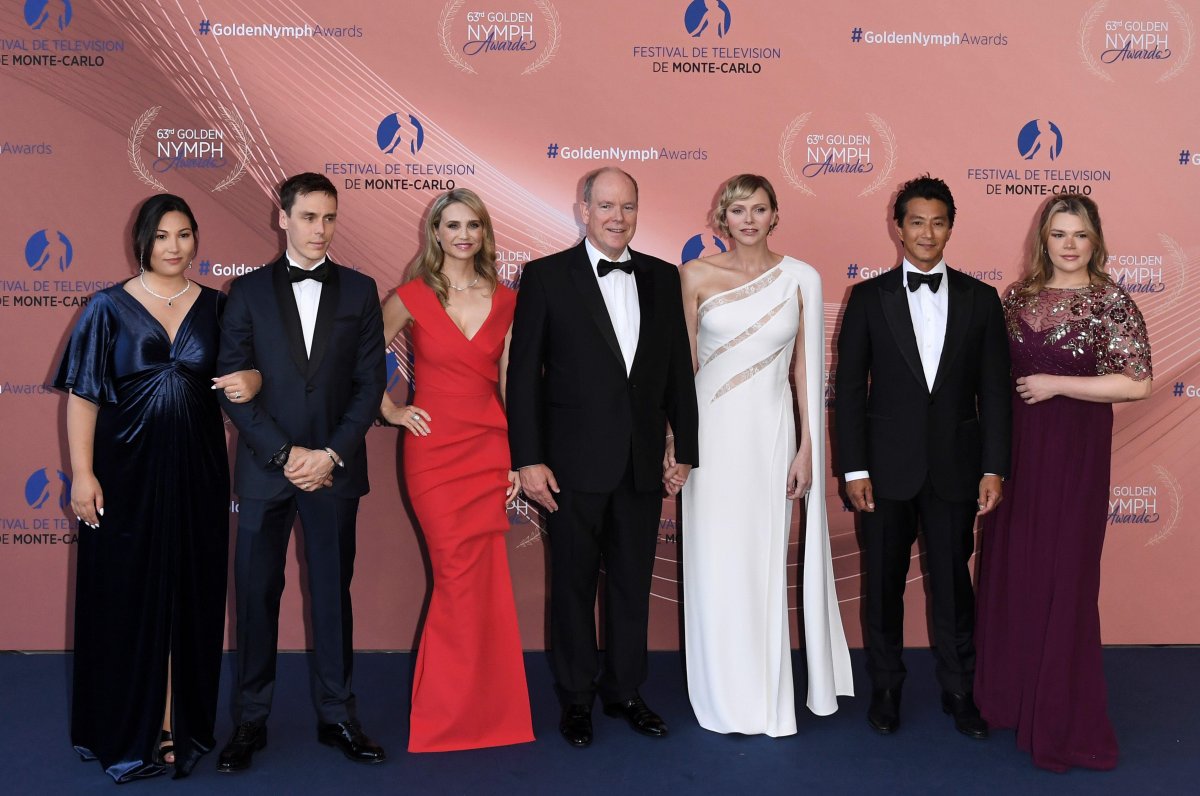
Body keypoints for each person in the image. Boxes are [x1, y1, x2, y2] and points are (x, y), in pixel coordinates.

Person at [57, 194, 260, 782]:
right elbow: (83, 396)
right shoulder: (106, 308)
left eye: (186, 235)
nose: (176, 247)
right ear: (142, 240)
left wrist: (253, 376)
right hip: (123, 476)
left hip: (197, 475)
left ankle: (176, 722)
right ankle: (124, 726)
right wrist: (83, 471)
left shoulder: (219, 309)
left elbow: (247, 374)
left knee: (189, 595)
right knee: (123, 596)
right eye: (164, 235)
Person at [506, 167, 699, 747]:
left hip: (641, 464)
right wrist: (529, 458)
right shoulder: (544, 277)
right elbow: (523, 378)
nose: (619, 217)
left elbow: (677, 375)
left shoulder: (665, 278)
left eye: (629, 207)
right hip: (568, 467)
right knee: (571, 586)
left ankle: (626, 690)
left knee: (630, 585)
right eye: (607, 206)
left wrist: (685, 449)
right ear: (583, 210)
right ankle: (575, 698)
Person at [215, 173, 387, 771]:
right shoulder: (247, 292)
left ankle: (338, 714)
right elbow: (233, 387)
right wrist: (286, 455)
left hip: (334, 470)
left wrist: (330, 454)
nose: (320, 230)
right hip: (268, 471)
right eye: (309, 217)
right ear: (281, 217)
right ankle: (249, 720)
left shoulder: (363, 292)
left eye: (330, 218)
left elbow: (371, 387)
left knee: (332, 596)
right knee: (257, 596)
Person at [974, 195, 1151, 772]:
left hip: (1075, 453)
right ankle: (1010, 697)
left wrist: (1056, 382)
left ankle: (1059, 711)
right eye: (1058, 234)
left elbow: (1137, 384)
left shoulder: (1112, 302)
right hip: (1019, 451)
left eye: (1079, 234)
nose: (1069, 244)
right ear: (1042, 239)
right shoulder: (1016, 298)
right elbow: (994, 382)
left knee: (1065, 574)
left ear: (1095, 240)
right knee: (1016, 568)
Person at [834, 175, 1011, 738]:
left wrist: (994, 465)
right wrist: (855, 467)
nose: (926, 232)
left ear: (951, 228)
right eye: (916, 221)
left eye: (938, 222)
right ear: (898, 226)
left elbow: (996, 392)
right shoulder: (867, 297)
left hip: (957, 471)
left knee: (955, 586)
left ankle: (961, 691)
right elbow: (850, 391)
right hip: (884, 473)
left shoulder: (982, 300)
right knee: (882, 586)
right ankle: (886, 688)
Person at [680, 175, 853, 736]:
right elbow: (679, 374)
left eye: (758, 209)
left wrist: (807, 447)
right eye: (737, 210)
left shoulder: (802, 277)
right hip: (709, 435)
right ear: (720, 218)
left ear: (775, 215)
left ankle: (764, 691)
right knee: (715, 558)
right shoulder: (694, 276)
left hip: (770, 434)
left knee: (761, 558)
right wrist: (674, 443)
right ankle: (720, 689)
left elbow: (807, 371)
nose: (748, 219)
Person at [379, 189, 534, 752]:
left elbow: (516, 383)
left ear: (485, 233)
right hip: (434, 451)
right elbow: (359, 357)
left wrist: (519, 455)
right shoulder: (412, 296)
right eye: (452, 225)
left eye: (473, 225)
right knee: (454, 578)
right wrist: (390, 408)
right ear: (435, 234)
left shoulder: (509, 300)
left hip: (488, 450)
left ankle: (489, 711)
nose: (463, 234)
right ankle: (449, 714)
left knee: (486, 579)